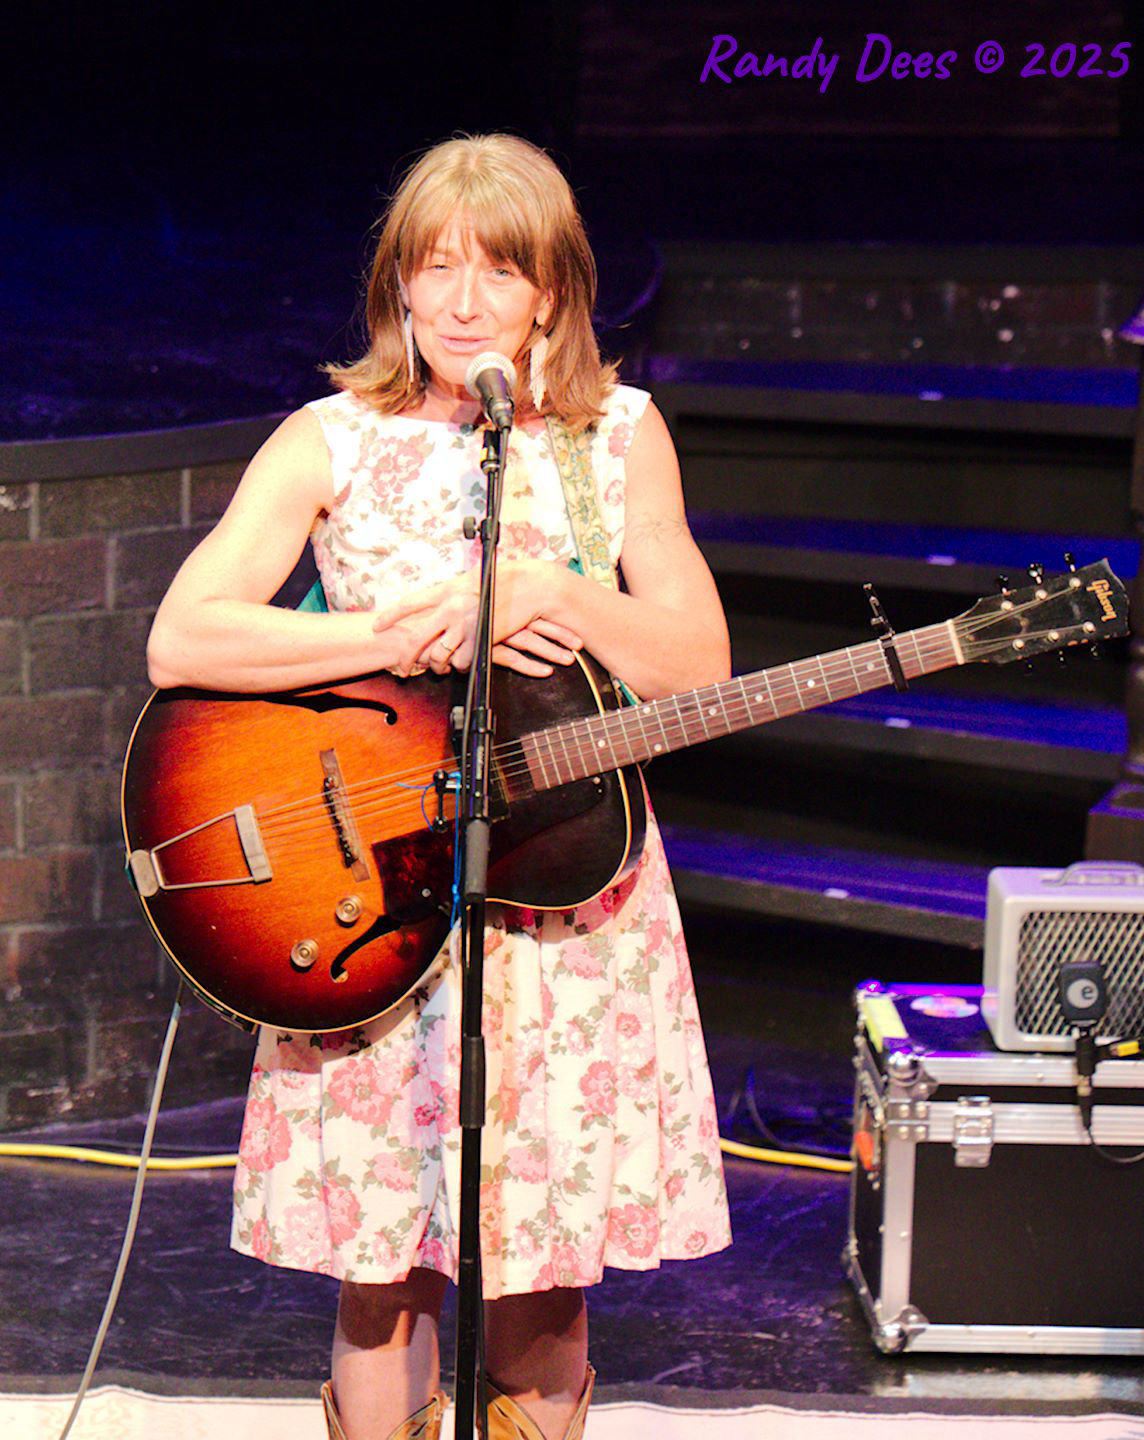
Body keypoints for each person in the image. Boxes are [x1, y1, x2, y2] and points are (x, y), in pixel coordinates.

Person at [146, 133, 732, 1440]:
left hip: (567, 910)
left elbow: (698, 663)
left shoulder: (618, 437)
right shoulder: (329, 440)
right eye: (434, 267)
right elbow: (184, 638)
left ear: (551, 293)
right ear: (396, 288)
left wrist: (560, 597)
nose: (464, 301)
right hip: (377, 905)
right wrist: (399, 633)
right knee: (380, 1272)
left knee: (543, 1283)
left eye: (499, 271)